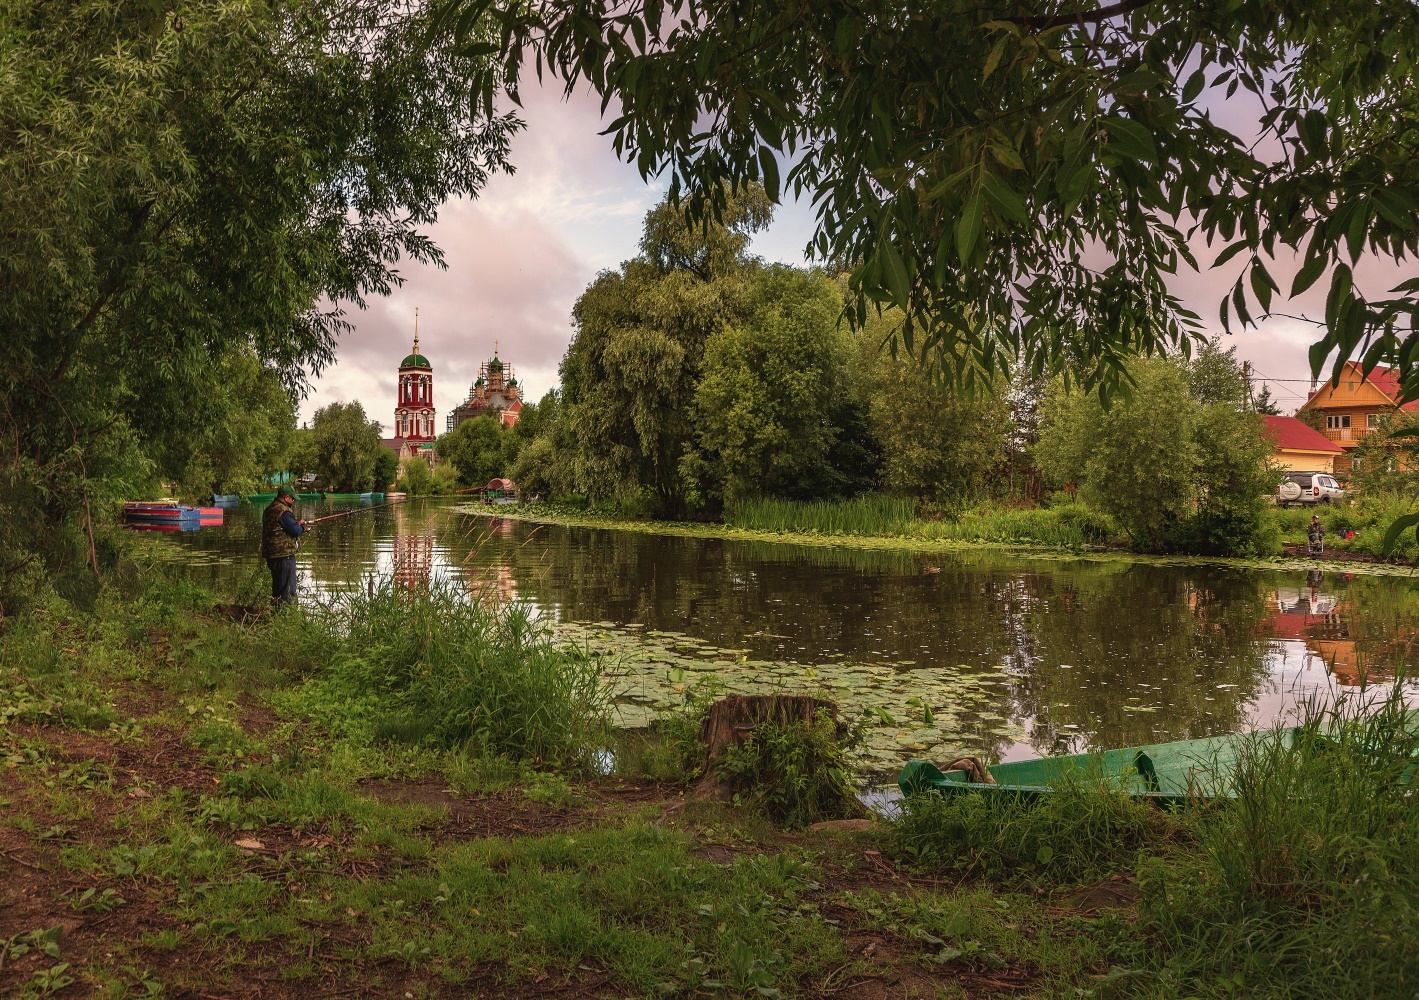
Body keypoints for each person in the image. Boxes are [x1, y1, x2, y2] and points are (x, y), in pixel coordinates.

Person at [262, 486, 310, 604]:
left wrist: (296, 524)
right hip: (284, 555)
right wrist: (302, 527)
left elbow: (279, 527)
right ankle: (285, 616)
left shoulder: (269, 509)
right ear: (286, 497)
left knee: (277, 589)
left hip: (271, 554)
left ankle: (276, 614)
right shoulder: (283, 510)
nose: (293, 501)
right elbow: (295, 531)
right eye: (292, 499)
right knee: (288, 590)